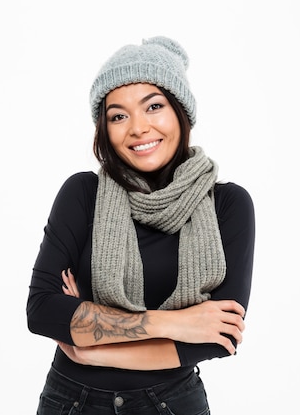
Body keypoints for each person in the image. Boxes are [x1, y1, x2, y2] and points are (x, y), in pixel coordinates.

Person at [26, 36, 255, 414]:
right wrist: (176, 323)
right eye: (118, 115)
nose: (138, 127)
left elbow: (220, 336)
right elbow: (43, 310)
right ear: (105, 129)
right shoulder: (83, 194)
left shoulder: (228, 205)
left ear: (181, 111)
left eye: (154, 106)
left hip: (170, 403)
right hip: (73, 402)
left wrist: (92, 351)